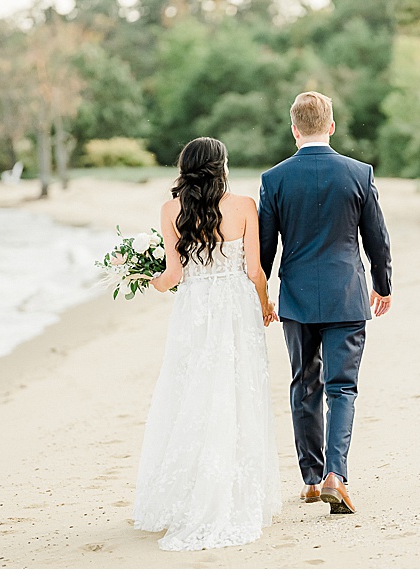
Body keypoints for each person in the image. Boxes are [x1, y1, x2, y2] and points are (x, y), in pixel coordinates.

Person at [133, 137, 281, 551]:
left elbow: (173, 275)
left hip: (194, 309)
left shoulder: (170, 210)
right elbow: (254, 270)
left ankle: (187, 495)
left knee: (191, 392)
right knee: (235, 391)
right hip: (235, 306)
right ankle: (230, 493)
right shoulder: (244, 206)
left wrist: (150, 282)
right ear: (221, 167)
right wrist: (265, 305)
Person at [258, 91, 393, 515]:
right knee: (342, 388)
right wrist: (382, 284)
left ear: (294, 129)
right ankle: (338, 474)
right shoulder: (358, 173)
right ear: (331, 126)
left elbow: (263, 251)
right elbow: (377, 239)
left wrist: (260, 296)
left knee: (304, 385)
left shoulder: (274, 179)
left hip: (296, 300)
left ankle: (313, 480)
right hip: (347, 296)